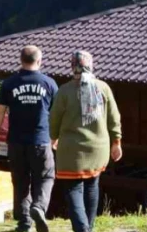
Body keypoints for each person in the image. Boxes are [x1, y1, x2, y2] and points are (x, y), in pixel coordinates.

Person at [0, 45, 59, 232]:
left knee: (20, 181)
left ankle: (24, 222)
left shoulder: (10, 83)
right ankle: (39, 207)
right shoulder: (49, 84)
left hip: (16, 142)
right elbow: (57, 114)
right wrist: (56, 137)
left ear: (20, 60)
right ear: (39, 61)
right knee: (45, 177)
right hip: (41, 141)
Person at [50, 51, 122, 232]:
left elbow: (54, 120)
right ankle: (88, 228)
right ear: (91, 65)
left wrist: (53, 138)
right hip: (98, 149)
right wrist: (117, 142)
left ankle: (82, 230)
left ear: (71, 66)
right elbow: (114, 117)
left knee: (74, 190)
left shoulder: (64, 91)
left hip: (72, 153)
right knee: (92, 186)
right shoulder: (103, 88)